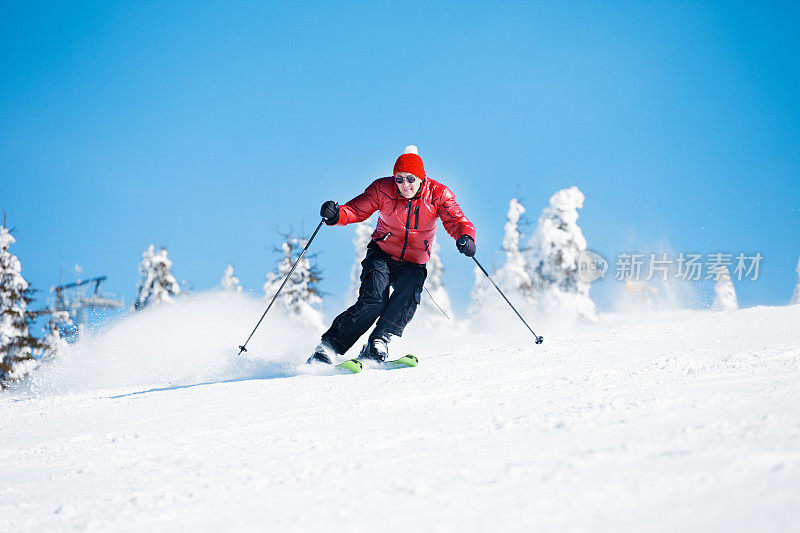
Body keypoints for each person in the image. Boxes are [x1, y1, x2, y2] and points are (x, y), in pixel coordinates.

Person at [309, 145, 476, 364]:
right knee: (373, 301)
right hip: (382, 255)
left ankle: (379, 341)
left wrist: (465, 236)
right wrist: (337, 213)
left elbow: (456, 220)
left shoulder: (438, 194)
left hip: (413, 262)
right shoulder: (382, 189)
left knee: (410, 291)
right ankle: (328, 347)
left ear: (421, 178)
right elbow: (357, 210)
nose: (404, 185)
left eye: (409, 179)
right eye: (399, 179)